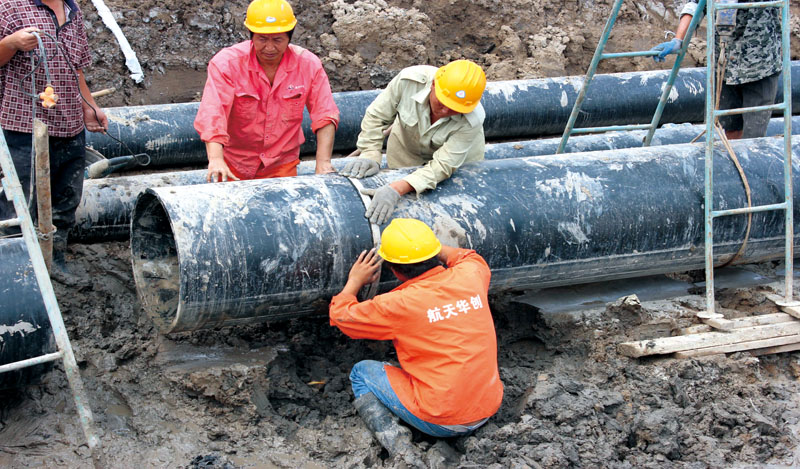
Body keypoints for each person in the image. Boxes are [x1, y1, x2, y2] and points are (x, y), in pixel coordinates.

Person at [329, 218, 503, 464]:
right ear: (435, 253)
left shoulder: (398, 305)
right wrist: (425, 246)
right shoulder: (471, 274)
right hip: (488, 406)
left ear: (394, 270)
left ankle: (399, 447)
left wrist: (355, 280)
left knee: (362, 372)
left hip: (441, 421)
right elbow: (468, 256)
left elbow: (341, 316)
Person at [0, 0, 108, 275]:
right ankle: (17, 268)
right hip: (23, 123)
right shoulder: (10, 7)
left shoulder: (73, 11)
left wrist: (89, 106)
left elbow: (77, 68)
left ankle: (54, 259)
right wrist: (11, 43)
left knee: (65, 197)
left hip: (68, 123)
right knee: (20, 200)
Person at [194, 0, 339, 183]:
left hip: (281, 165)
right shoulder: (227, 64)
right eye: (262, 39)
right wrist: (216, 159)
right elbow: (213, 113)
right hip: (234, 165)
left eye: (278, 40)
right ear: (251, 35)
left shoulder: (308, 65)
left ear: (289, 37)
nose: (269, 48)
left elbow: (325, 114)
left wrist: (323, 163)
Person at [339, 60, 487, 225]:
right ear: (433, 84)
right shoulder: (408, 82)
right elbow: (377, 116)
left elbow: (443, 166)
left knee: (449, 215)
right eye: (441, 102)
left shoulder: (472, 120)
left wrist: (397, 189)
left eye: (453, 109)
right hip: (406, 151)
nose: (444, 111)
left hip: (456, 166)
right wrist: (370, 153)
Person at [650, 0, 782, 139]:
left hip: (760, 66)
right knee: (728, 129)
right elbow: (696, 5)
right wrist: (678, 39)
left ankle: (750, 153)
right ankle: (730, 152)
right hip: (724, 66)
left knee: (754, 136)